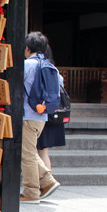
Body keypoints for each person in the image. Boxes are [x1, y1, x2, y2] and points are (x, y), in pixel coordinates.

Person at [22, 31, 61, 204]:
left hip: (27, 115)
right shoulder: (51, 67)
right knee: (30, 151)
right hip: (42, 117)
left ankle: (31, 191)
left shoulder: (27, 65)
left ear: (28, 48)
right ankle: (47, 181)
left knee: (28, 155)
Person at [36, 42, 66, 176]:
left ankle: (46, 181)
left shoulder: (42, 69)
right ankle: (45, 181)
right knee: (43, 151)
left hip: (42, 113)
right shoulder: (54, 70)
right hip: (52, 113)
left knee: (39, 151)